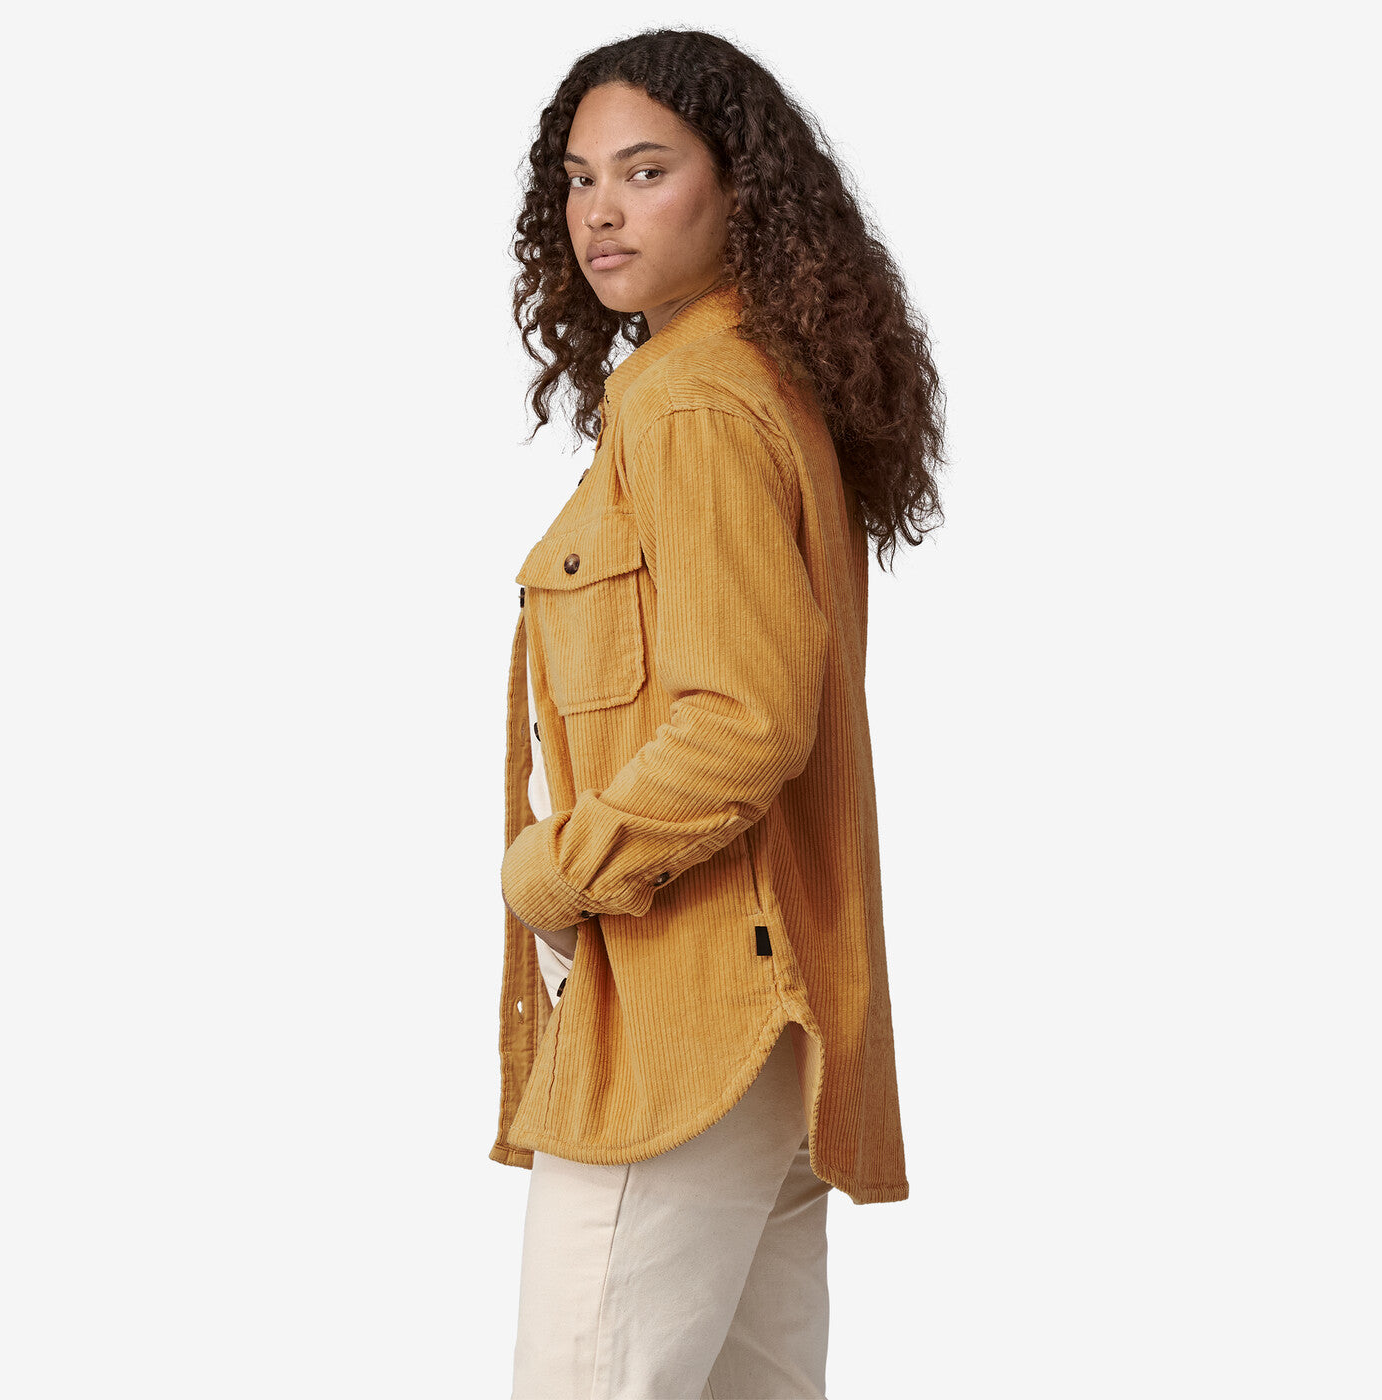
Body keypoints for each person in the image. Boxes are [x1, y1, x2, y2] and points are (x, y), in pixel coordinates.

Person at [493, 28, 945, 1400]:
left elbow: (745, 720)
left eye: (646, 172)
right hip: (766, 1017)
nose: (601, 212)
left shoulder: (691, 400)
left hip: (688, 1019)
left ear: (740, 188)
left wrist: (553, 873)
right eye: (580, 179)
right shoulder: (755, 381)